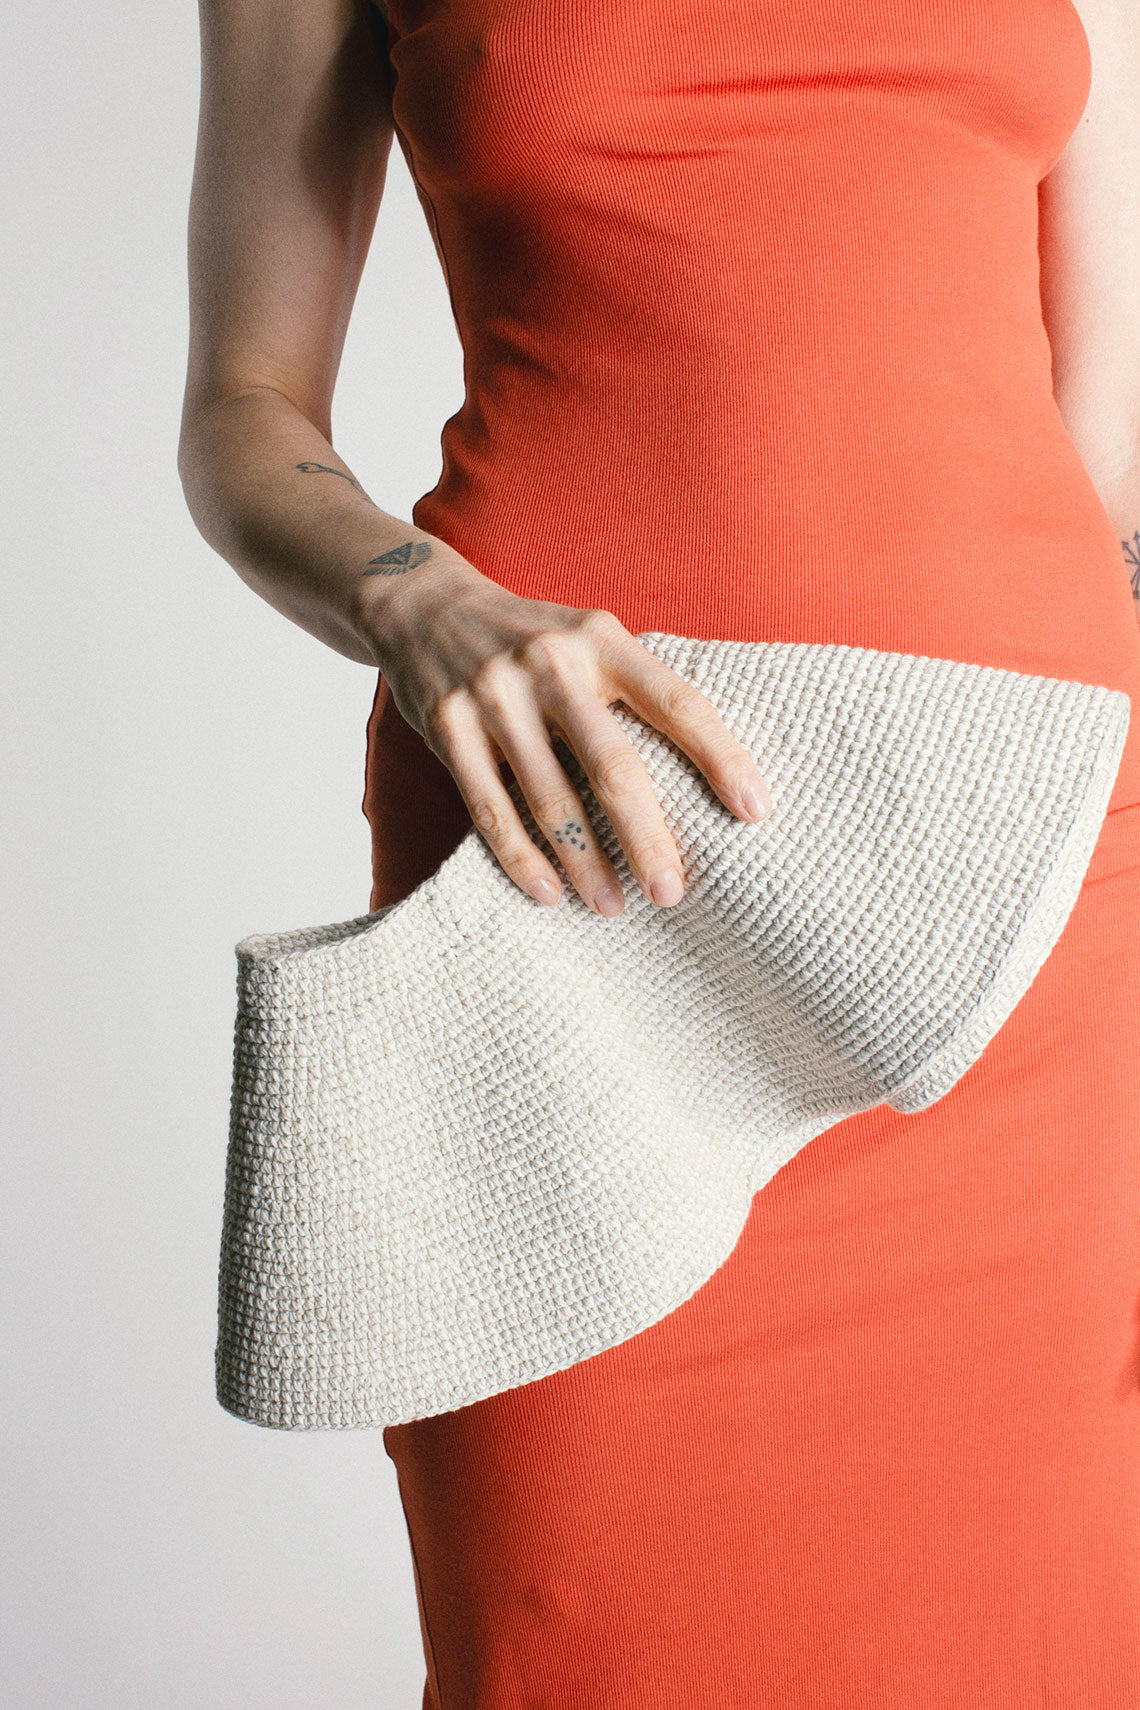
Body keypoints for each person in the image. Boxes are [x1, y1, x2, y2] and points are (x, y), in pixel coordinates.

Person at [178, 0, 1140, 1702]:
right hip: (579, 855)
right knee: (591, 1634)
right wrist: (420, 605)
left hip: (1019, 888)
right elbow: (243, 408)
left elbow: (1107, 423)